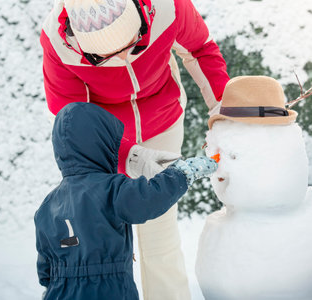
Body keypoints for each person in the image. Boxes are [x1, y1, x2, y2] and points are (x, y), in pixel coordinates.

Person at [39, 0, 229, 298]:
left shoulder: (169, 7)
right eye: (105, 57)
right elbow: (73, 117)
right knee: (105, 238)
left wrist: (223, 111)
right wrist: (130, 156)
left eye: (135, 44)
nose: (125, 58)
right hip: (105, 143)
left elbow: (200, 49)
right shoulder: (57, 42)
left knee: (159, 234)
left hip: (163, 121)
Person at [34, 102, 218, 300]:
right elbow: (148, 199)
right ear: (102, 145)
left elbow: (45, 268)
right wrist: (182, 173)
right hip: (107, 289)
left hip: (60, 291)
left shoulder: (47, 205)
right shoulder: (110, 188)